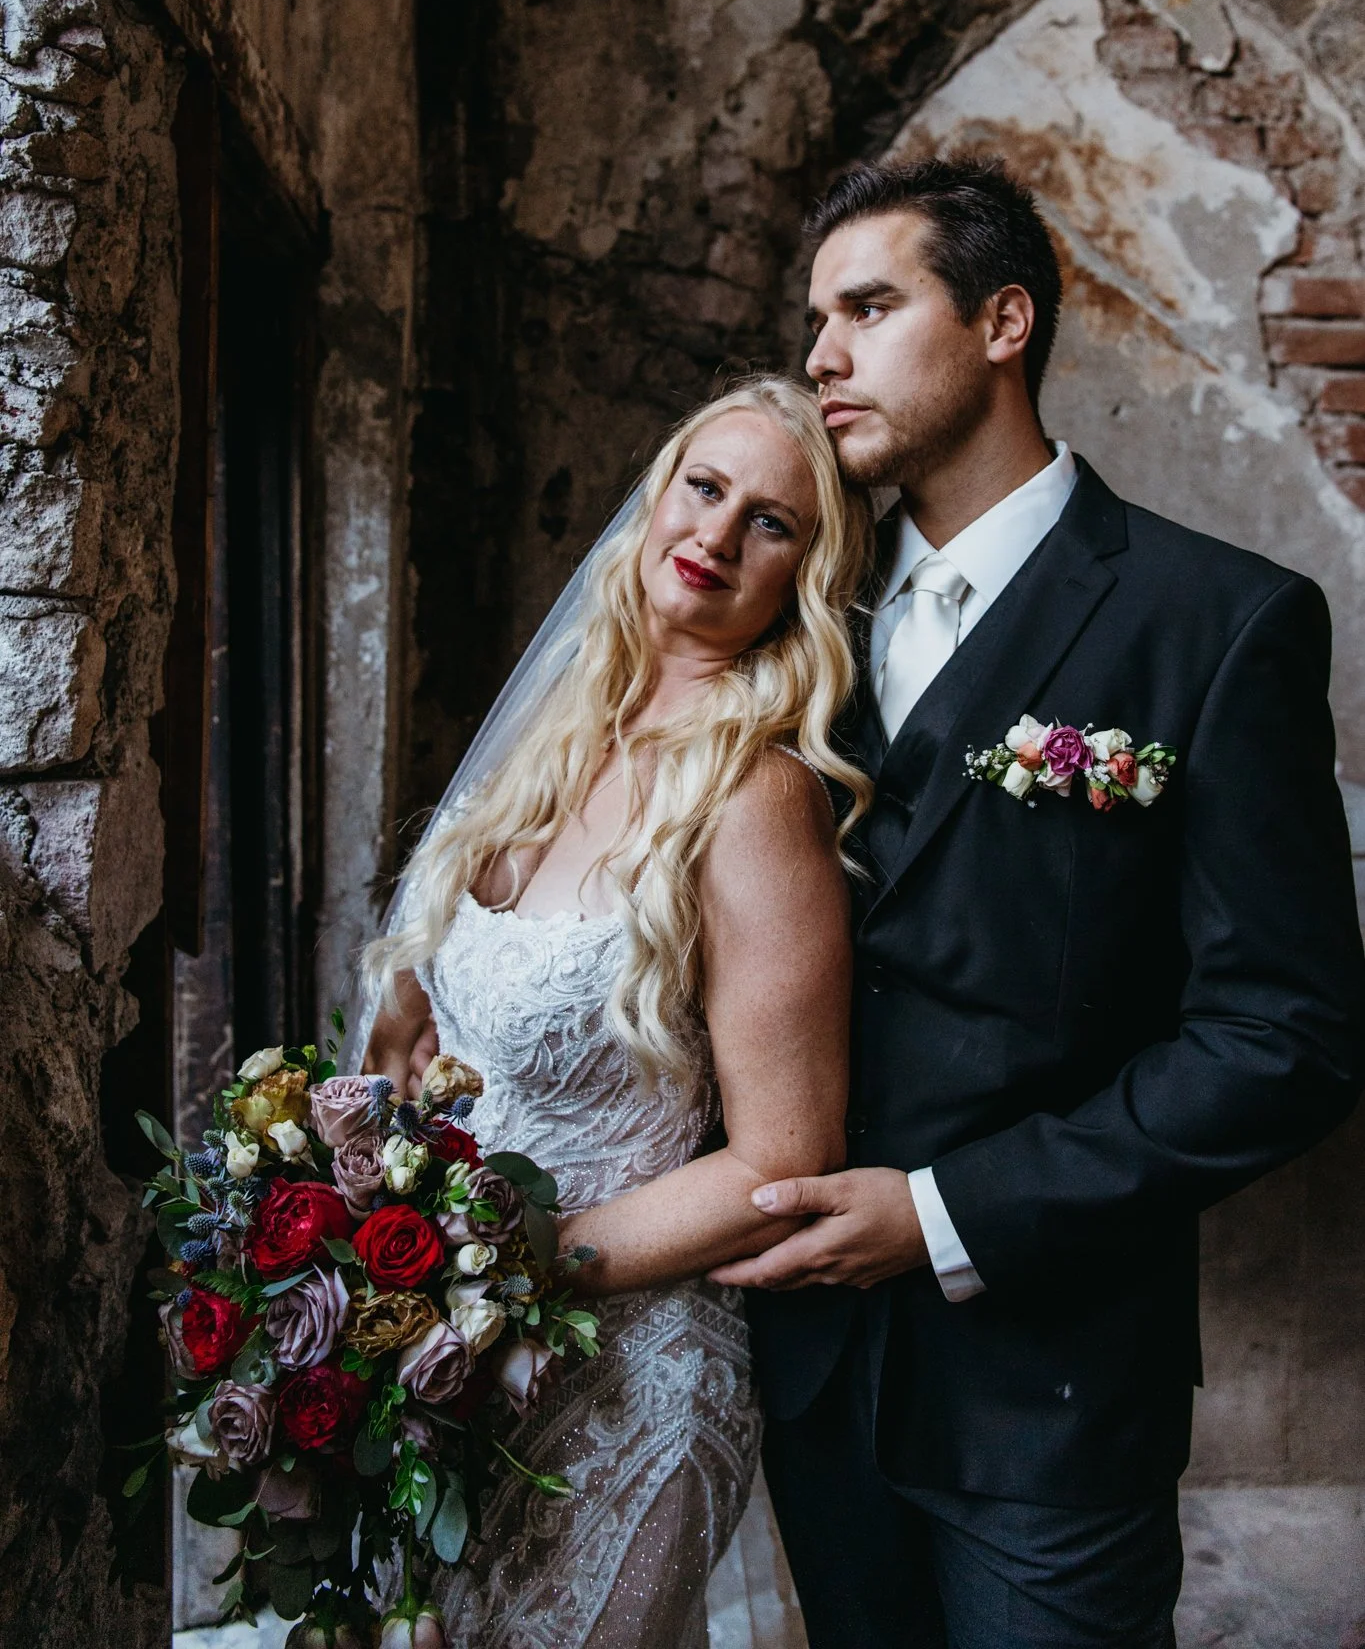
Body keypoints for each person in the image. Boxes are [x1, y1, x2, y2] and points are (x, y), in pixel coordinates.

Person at [710, 155, 1365, 1649]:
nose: (822, 356)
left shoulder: (1216, 623)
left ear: (1004, 323)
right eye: (817, 319)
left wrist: (945, 1212)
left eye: (869, 308)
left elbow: (1286, 1038)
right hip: (810, 1371)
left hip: (1049, 1397)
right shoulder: (803, 612)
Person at [361, 375, 874, 1649]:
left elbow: (781, 1156)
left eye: (773, 523)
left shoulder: (755, 798)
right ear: (655, 502)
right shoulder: (554, 733)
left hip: (623, 1387)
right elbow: (455, 1034)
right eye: (705, 488)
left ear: (804, 579)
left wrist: (508, 1273)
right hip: (450, 1363)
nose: (717, 532)